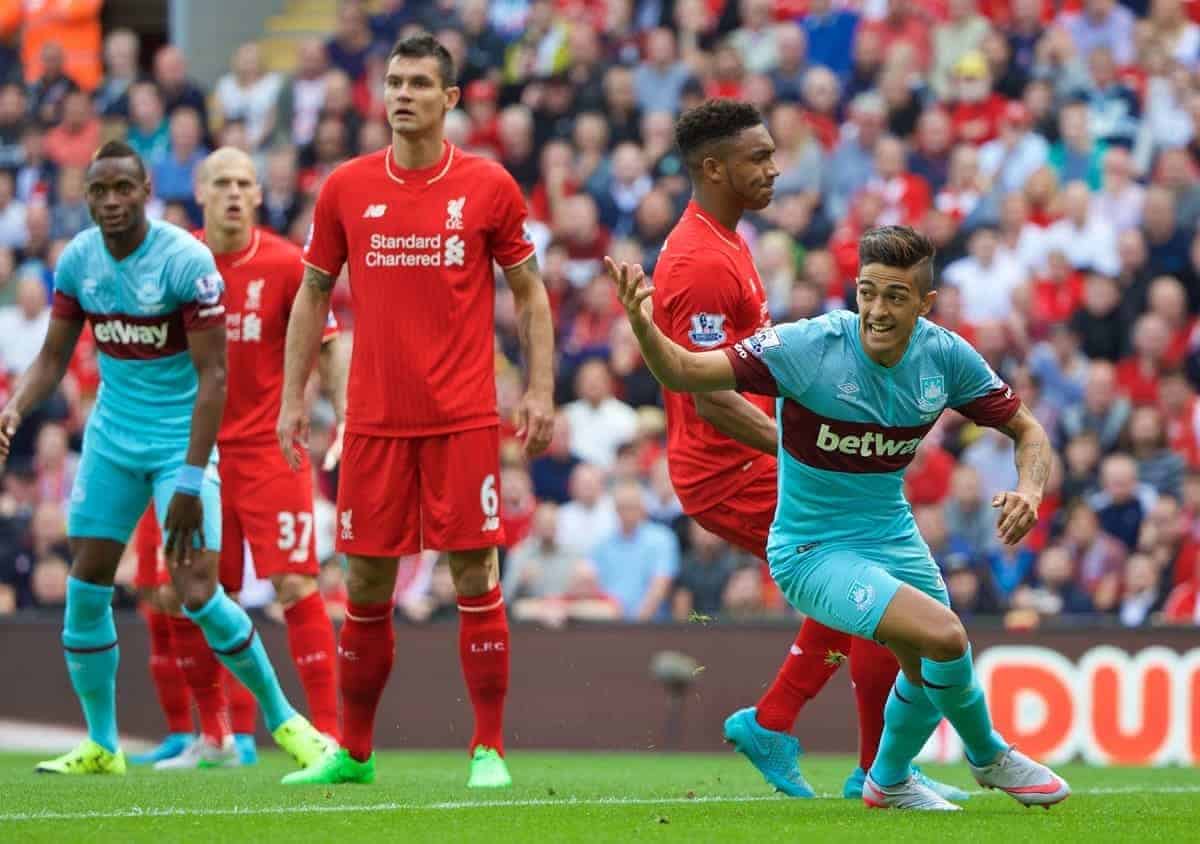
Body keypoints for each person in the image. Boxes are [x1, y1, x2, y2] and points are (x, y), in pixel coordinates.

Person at [607, 222, 1069, 810]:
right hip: (811, 548)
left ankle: (888, 780)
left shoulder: (945, 356)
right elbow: (684, 372)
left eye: (895, 297)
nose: (876, 310)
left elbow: (1027, 429)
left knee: (929, 669)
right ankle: (989, 756)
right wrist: (643, 325)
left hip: (892, 534)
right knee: (946, 637)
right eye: (867, 292)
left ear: (924, 304)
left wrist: (1029, 488)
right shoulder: (810, 347)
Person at [648, 99, 964, 802]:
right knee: (881, 591)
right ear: (713, 167)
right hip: (728, 470)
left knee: (868, 590)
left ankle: (802, 734)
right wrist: (802, 451)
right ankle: (873, 769)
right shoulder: (700, 263)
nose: (773, 167)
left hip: (751, 461)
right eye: (758, 158)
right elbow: (707, 395)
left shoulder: (726, 239)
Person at [0, 141, 330, 778]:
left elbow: (214, 378)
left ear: (146, 190)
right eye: (100, 191)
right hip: (110, 440)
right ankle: (103, 745)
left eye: (124, 188)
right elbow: (51, 359)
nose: (112, 201)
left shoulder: (186, 261)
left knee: (199, 590)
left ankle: (286, 723)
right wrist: (15, 407)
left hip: (178, 440)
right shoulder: (78, 261)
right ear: (87, 198)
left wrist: (187, 475)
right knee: (86, 586)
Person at [278, 35, 555, 788]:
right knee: (365, 585)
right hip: (371, 420)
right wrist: (294, 397)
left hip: (462, 415)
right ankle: (355, 753)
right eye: (394, 82)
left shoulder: (489, 186)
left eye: (420, 83)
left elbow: (530, 294)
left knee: (474, 571)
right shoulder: (345, 186)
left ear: (451, 98)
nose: (402, 94)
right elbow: (310, 293)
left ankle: (489, 749)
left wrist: (538, 390)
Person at [162, 145, 346, 767]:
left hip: (271, 451)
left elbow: (326, 346)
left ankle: (328, 734)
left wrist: (343, 414)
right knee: (204, 592)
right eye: (223, 183)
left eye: (246, 183)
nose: (235, 193)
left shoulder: (286, 263)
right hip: (193, 456)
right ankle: (223, 736)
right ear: (201, 190)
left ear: (259, 195)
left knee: (296, 582)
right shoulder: (174, 260)